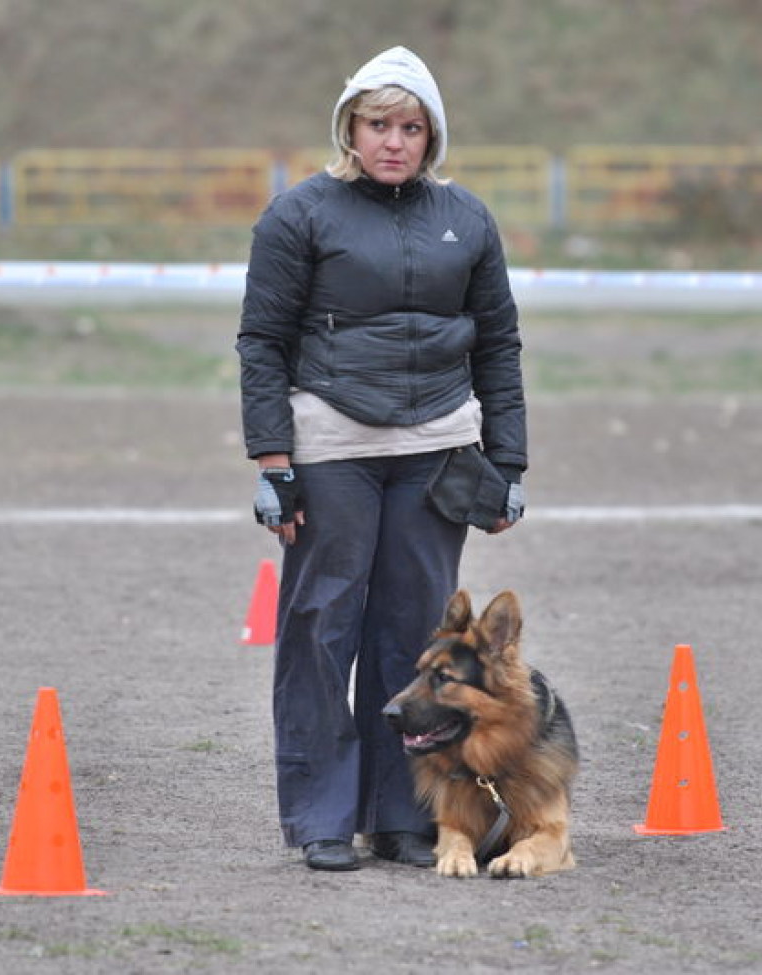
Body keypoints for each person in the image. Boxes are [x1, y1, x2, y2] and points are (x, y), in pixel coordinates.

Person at [236, 45, 527, 872]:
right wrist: (272, 460)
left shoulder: (466, 218)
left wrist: (508, 460)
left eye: (410, 126)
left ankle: (406, 813)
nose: (394, 140)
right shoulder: (298, 216)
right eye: (378, 124)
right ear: (350, 129)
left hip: (438, 448)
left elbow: (499, 342)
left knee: (418, 639)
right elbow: (262, 341)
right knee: (321, 627)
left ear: (431, 136)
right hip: (331, 445)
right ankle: (324, 816)